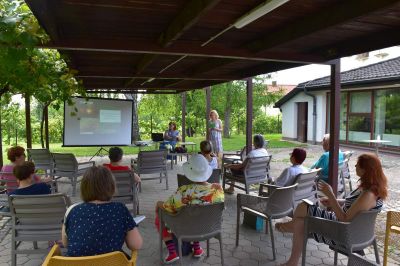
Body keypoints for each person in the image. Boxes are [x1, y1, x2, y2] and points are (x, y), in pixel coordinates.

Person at [275, 153, 387, 266]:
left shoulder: (368, 195)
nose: (355, 166)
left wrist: (331, 195)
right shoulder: (371, 189)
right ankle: (292, 261)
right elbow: (354, 207)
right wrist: (334, 201)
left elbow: (345, 218)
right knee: (300, 222)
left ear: (365, 170)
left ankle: (288, 227)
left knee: (303, 207)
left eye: (358, 165)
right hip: (347, 228)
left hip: (343, 232)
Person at [155, 154, 224, 264]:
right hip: (210, 228)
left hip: (186, 229)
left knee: (159, 215)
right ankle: (197, 248)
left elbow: (168, 207)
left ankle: (172, 252)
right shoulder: (218, 190)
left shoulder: (184, 191)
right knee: (197, 215)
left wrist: (158, 204)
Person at [62, 166, 143, 257]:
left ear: (84, 188)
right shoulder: (120, 209)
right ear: (111, 187)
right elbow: (136, 244)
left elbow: (66, 244)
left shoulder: (72, 210)